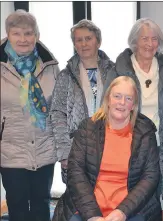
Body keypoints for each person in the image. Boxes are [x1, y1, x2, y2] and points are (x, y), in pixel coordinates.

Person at [52, 76, 161, 221]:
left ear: (134, 105)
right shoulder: (87, 128)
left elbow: (150, 177)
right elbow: (76, 174)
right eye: (117, 96)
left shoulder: (145, 133)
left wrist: (121, 212)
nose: (122, 102)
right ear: (108, 99)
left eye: (128, 98)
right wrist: (93, 216)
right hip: (87, 209)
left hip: (131, 210)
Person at [104, 18, 163, 219]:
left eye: (154, 39)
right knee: (135, 190)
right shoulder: (119, 68)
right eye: (144, 38)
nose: (149, 44)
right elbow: (107, 104)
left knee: (161, 192)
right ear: (134, 41)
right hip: (132, 141)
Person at [0, 9, 59, 221]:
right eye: (17, 34)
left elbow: (57, 109)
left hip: (44, 150)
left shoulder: (51, 66)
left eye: (28, 33)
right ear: (8, 34)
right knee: (17, 207)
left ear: (37, 36)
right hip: (11, 151)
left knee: (42, 204)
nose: (23, 39)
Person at [50, 19, 114, 183]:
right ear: (74, 44)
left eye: (88, 38)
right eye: (79, 40)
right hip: (76, 149)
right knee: (78, 200)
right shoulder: (66, 76)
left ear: (98, 41)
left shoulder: (114, 72)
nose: (84, 44)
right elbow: (57, 114)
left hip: (108, 147)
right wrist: (64, 153)